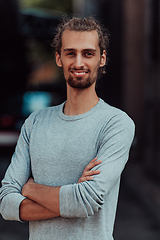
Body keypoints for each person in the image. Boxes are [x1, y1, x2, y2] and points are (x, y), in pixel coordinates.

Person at [0, 16, 135, 240]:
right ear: (58, 57)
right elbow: (5, 203)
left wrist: (31, 190)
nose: (79, 62)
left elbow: (87, 202)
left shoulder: (116, 124)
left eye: (88, 53)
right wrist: (72, 198)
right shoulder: (35, 122)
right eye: (70, 53)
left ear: (102, 59)